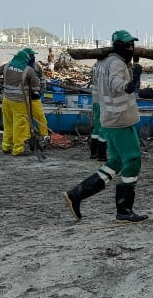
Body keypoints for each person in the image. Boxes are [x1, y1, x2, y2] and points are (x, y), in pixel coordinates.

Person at [63, 30, 148, 223]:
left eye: (132, 44)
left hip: (109, 118)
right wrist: (132, 82)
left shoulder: (103, 62)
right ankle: (124, 209)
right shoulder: (116, 63)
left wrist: (132, 74)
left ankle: (76, 195)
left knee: (116, 162)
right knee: (133, 159)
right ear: (118, 46)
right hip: (120, 120)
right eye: (127, 45)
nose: (131, 48)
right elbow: (117, 83)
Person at [0, 48, 40, 156]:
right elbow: (35, 86)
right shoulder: (28, 70)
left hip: (6, 99)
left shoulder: (6, 66)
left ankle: (6, 146)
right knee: (20, 125)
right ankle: (18, 149)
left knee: (8, 123)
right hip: (20, 101)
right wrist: (35, 93)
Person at [28, 62, 51, 147]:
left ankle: (44, 135)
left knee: (40, 116)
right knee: (23, 117)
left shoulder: (37, 66)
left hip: (34, 97)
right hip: (22, 97)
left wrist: (41, 90)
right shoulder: (19, 66)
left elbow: (42, 79)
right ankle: (26, 135)